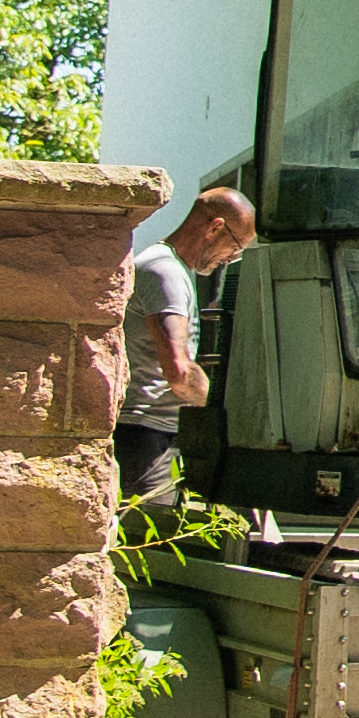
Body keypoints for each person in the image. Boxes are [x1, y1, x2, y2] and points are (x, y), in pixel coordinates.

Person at [119, 184, 256, 502]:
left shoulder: (171, 268)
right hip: (144, 438)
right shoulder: (164, 272)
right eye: (235, 247)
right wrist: (222, 407)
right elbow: (180, 372)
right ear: (215, 227)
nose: (230, 259)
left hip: (149, 435)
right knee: (150, 546)